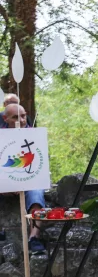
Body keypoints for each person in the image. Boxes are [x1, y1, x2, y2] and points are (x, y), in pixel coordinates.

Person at [2, 104, 46, 253]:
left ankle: (34, 238)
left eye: (23, 116)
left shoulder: (35, 135)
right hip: (4, 184)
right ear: (5, 118)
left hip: (29, 182)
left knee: (36, 192)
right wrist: (7, 184)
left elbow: (40, 165)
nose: (20, 120)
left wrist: (24, 181)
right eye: (15, 117)